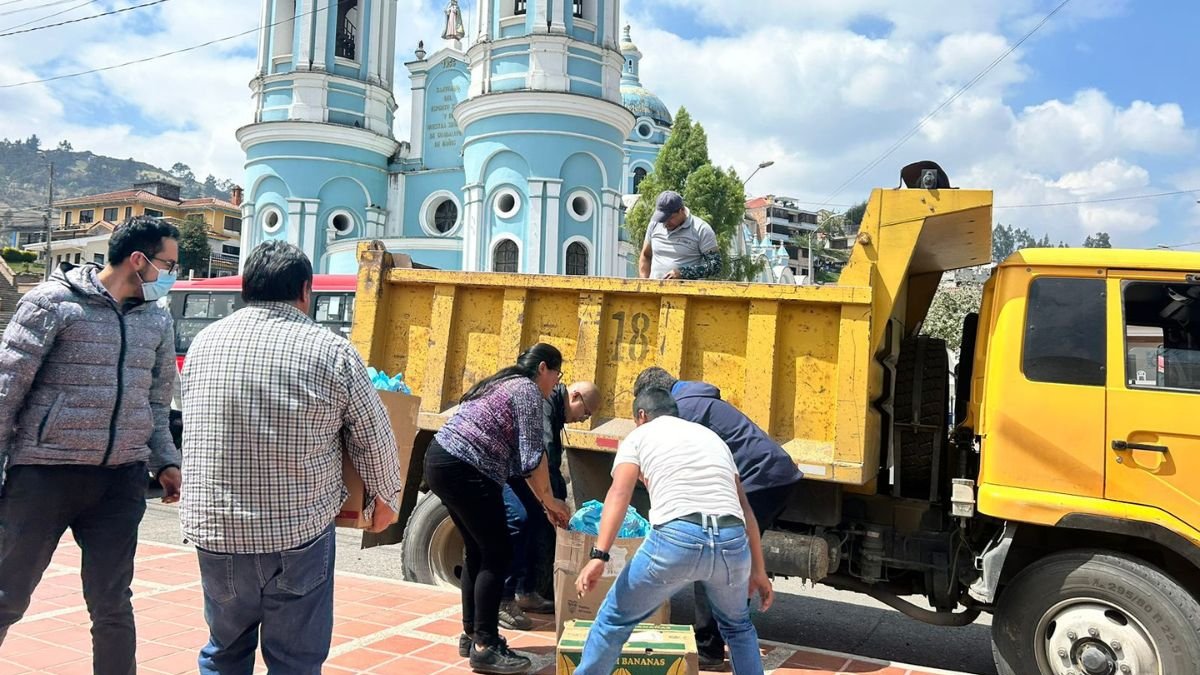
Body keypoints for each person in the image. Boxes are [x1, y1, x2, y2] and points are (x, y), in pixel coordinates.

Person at [178, 241, 402, 675]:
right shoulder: (330, 350)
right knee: (295, 662)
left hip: (215, 533)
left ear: (247, 288)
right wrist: (385, 500)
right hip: (296, 536)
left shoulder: (205, 343)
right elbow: (374, 438)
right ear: (305, 290)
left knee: (224, 653)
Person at [0, 215, 183, 673]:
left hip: (120, 481)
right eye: (168, 263)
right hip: (44, 476)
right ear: (138, 261)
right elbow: (6, 390)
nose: (172, 275)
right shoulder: (51, 304)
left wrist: (165, 460)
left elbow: (156, 401)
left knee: (113, 604)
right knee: (8, 594)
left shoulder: (156, 320)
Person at [573, 387, 773, 675]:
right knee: (738, 627)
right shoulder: (712, 438)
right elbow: (745, 509)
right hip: (731, 541)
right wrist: (758, 569)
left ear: (641, 415)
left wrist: (598, 555)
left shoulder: (639, 436)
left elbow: (619, 493)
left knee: (614, 620)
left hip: (677, 539)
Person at [634, 366, 802, 669]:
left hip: (759, 481)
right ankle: (732, 631)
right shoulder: (697, 401)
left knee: (711, 556)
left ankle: (710, 648)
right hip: (775, 478)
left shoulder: (681, 411)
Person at [427, 343, 573, 674]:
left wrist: (545, 503)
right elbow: (532, 457)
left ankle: (472, 634)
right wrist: (551, 502)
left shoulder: (504, 383)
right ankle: (486, 645)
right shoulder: (528, 392)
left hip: (441, 459)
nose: (555, 383)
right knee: (498, 552)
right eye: (556, 375)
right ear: (543, 369)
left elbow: (524, 464)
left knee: (478, 552)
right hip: (465, 467)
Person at [499, 381, 601, 630]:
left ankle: (526, 590)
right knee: (520, 521)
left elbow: (550, 463)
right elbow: (539, 457)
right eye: (585, 413)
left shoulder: (555, 410)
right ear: (575, 396)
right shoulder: (545, 405)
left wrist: (554, 499)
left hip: (521, 471)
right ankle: (503, 599)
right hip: (506, 470)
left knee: (538, 524)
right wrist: (551, 501)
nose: (582, 420)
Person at [639, 190, 723, 280]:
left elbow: (715, 265)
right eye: (662, 219)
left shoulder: (701, 229)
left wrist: (684, 273)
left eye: (670, 218)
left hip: (686, 292)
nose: (665, 223)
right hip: (654, 291)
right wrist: (645, 284)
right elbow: (645, 255)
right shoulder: (655, 224)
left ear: (681, 210)